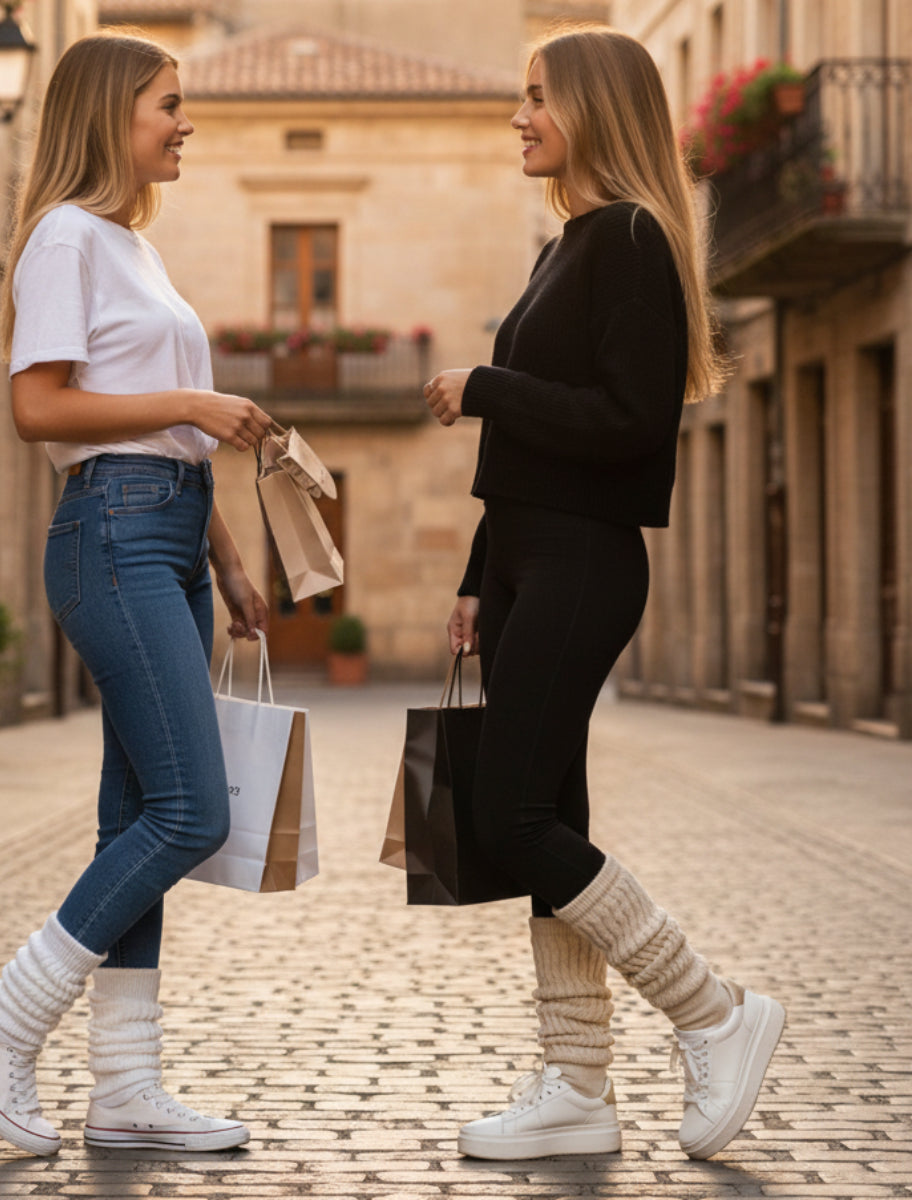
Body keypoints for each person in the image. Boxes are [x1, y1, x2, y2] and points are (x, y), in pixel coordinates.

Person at [422, 24, 784, 1163]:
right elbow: (535, 450)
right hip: (532, 561)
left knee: (511, 818)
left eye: (539, 96)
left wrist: (488, 383)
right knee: (549, 817)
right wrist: (481, 580)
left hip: (586, 561)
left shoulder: (628, 239)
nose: (519, 116)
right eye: (521, 95)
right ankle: (576, 1087)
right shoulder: (565, 246)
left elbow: (630, 424)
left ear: (595, 108)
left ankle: (713, 1012)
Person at [0, 31, 273, 1157]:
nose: (184, 124)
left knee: (135, 816)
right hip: (113, 532)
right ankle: (0, 1025)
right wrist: (196, 400)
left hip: (168, 531)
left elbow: (168, 427)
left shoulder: (133, 248)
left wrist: (224, 558)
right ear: (108, 116)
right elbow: (41, 410)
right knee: (193, 813)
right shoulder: (63, 239)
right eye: (168, 106)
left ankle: (125, 1086)